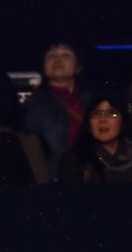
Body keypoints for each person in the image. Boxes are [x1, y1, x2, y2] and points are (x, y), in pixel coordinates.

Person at [22, 41, 91, 178]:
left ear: (78, 67)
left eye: (66, 55)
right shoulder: (33, 104)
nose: (58, 60)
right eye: (51, 56)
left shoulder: (93, 100)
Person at [58, 95, 132, 183]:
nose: (102, 119)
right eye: (96, 113)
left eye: (111, 113)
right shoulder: (75, 161)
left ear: (123, 121)